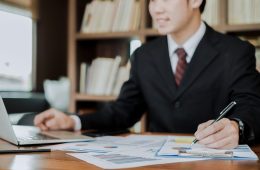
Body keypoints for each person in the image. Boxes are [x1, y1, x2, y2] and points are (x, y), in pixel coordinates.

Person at [34, 0, 260, 149]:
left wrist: (236, 127)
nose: (156, 9)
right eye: (152, 0)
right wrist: (72, 120)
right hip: (158, 162)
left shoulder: (236, 51)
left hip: (214, 161)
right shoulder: (143, 55)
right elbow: (122, 112)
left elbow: (251, 106)